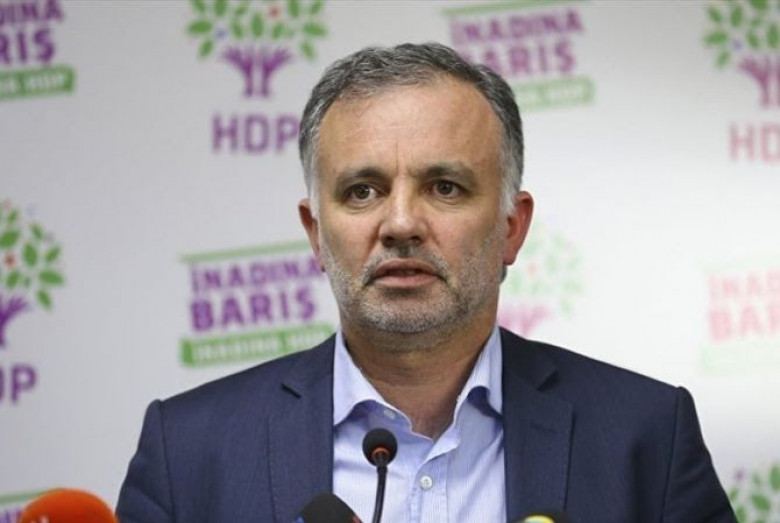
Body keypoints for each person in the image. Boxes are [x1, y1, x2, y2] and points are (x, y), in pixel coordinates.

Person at [116, 43, 736, 523]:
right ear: (316, 234)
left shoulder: (647, 437)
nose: (401, 224)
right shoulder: (188, 452)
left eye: (445, 187)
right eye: (363, 191)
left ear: (512, 227)